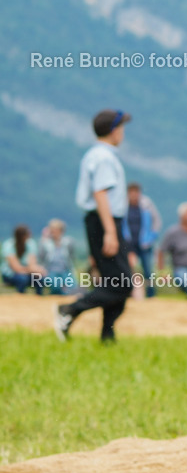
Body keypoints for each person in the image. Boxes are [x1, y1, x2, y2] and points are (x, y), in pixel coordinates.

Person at [54, 109, 134, 342]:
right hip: (104, 221)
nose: (123, 133)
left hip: (101, 221)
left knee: (114, 280)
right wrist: (110, 231)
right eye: (121, 128)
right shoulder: (104, 157)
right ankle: (70, 310)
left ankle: (107, 334)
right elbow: (100, 193)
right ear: (113, 130)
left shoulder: (96, 155)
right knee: (122, 284)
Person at [124, 182, 162, 298]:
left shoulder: (147, 204)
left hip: (144, 243)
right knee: (127, 269)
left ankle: (151, 293)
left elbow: (157, 221)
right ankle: (128, 293)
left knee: (148, 270)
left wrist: (151, 237)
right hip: (128, 243)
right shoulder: (123, 206)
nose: (134, 195)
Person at [1, 225, 46, 294]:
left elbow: (32, 264)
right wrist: (35, 270)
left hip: (26, 273)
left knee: (39, 279)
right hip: (10, 274)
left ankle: (39, 298)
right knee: (22, 279)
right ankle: (20, 297)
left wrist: (35, 270)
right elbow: (16, 268)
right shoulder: (9, 245)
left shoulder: (30, 243)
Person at [37, 219, 76, 295]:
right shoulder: (44, 244)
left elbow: (71, 257)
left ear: (61, 231)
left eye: (55, 230)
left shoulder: (68, 242)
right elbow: (41, 259)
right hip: (50, 272)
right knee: (56, 286)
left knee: (72, 287)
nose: (53, 232)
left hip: (66, 271)